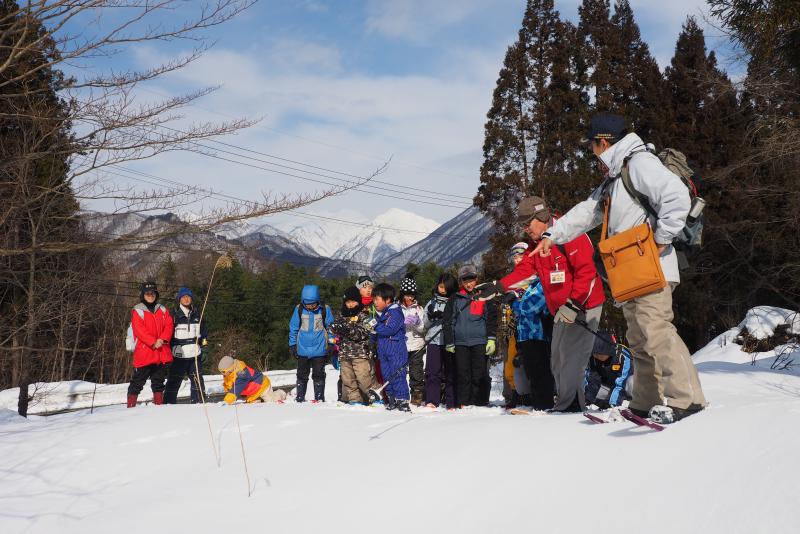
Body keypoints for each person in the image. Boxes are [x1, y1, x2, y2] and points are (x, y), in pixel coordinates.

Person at [530, 113, 706, 423]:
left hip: (652, 268)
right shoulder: (616, 175)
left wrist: (661, 239)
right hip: (629, 272)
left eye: (592, 146)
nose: (591, 152)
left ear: (604, 142)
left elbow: (676, 198)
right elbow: (587, 212)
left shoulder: (639, 164)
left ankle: (686, 399)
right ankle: (646, 399)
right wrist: (552, 235)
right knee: (639, 337)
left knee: (657, 332)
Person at [482, 196, 605, 412]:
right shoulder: (538, 245)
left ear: (542, 217)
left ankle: (571, 405)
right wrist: (498, 286)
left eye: (527, 223)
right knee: (557, 358)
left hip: (583, 307)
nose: (525, 229)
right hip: (561, 311)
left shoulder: (570, 233)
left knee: (571, 358)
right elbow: (525, 270)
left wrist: (574, 304)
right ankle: (567, 402)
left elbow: (587, 272)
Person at [508, 243, 555, 411]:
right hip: (524, 334)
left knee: (541, 371)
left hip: (539, 334)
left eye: (521, 257)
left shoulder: (539, 280)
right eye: (514, 258)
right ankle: (537, 404)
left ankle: (544, 404)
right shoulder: (519, 283)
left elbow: (530, 307)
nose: (517, 261)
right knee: (530, 372)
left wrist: (514, 302)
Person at [443, 264, 498, 408]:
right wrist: (449, 341)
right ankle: (464, 403)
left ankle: (480, 402)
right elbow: (448, 321)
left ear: (476, 279)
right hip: (460, 343)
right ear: (461, 281)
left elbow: (491, 318)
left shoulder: (484, 296)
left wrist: (491, 339)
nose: (469, 283)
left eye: (471, 280)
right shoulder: (454, 298)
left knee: (479, 374)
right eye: (465, 280)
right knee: (463, 375)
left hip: (480, 341)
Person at [127, 281, 174, 408]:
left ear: (156, 294)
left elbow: (169, 326)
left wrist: (162, 339)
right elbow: (139, 330)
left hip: (161, 352)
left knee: (158, 382)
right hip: (145, 352)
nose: (150, 295)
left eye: (152, 293)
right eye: (147, 293)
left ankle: (159, 406)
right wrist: (153, 342)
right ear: (143, 295)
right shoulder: (138, 310)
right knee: (137, 382)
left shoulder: (163, 309)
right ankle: (130, 407)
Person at [329, 286, 374, 404]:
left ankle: (374, 398)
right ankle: (355, 400)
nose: (350, 305)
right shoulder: (342, 316)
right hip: (344, 354)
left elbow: (364, 332)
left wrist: (348, 330)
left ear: (358, 301)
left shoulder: (364, 315)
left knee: (364, 379)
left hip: (360, 354)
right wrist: (334, 328)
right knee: (348, 380)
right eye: (348, 302)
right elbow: (332, 328)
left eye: (353, 301)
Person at [289, 285, 334, 403]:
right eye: (307, 304)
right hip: (302, 349)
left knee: (319, 374)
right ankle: (300, 397)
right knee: (301, 374)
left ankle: (319, 397)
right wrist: (292, 345)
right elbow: (293, 328)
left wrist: (331, 344)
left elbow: (331, 329)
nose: (310, 306)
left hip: (319, 349)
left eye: (313, 303)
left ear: (318, 300)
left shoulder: (325, 309)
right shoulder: (299, 309)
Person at [164, 287, 208, 404]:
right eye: (183, 297)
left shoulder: (198, 314)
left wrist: (205, 348)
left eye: (188, 296)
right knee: (174, 381)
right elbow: (167, 335)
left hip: (195, 355)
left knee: (197, 381)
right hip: (179, 355)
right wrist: (167, 351)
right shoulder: (173, 315)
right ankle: (168, 405)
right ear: (179, 299)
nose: (186, 299)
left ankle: (199, 403)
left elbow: (204, 334)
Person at [370, 282, 410, 412]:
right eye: (374, 299)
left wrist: (375, 326)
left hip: (396, 350)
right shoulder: (379, 314)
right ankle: (391, 398)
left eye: (377, 299)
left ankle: (402, 400)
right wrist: (371, 340)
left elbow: (390, 329)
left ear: (387, 300)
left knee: (397, 374)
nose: (375, 302)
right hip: (383, 351)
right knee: (386, 375)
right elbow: (375, 333)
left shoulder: (395, 313)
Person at [422, 272, 458, 408]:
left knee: (451, 372)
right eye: (440, 286)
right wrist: (431, 317)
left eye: (445, 287)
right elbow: (424, 324)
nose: (442, 290)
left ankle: (452, 401)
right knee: (432, 372)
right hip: (434, 341)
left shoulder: (455, 301)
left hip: (450, 341)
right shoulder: (431, 302)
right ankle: (432, 400)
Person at [584, 331, 632, 409]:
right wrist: (587, 399)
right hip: (610, 386)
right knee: (588, 381)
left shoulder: (622, 355)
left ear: (609, 350)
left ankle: (621, 401)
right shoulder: (593, 359)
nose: (598, 357)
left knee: (630, 382)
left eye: (601, 354)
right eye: (595, 354)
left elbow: (621, 381)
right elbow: (593, 380)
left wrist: (613, 403)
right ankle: (607, 401)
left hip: (627, 385)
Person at [399, 274, 426, 406]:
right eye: (407, 294)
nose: (410, 298)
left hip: (417, 345)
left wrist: (417, 322)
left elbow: (423, 328)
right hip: (402, 345)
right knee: (401, 370)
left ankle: (417, 394)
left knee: (416, 371)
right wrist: (401, 323)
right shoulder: (397, 308)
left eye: (412, 295)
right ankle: (402, 394)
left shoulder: (419, 309)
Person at [218, 356, 287, 404]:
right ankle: (259, 399)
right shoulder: (228, 374)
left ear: (230, 368)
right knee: (253, 405)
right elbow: (229, 384)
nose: (222, 374)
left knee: (271, 401)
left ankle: (281, 393)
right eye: (221, 372)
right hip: (252, 391)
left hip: (261, 386)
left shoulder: (242, 373)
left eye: (224, 372)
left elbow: (237, 388)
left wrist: (227, 401)